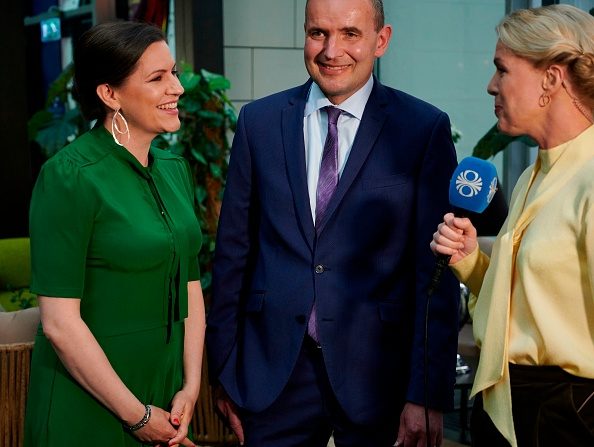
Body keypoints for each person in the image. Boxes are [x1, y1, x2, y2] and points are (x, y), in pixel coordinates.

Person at [206, 0, 460, 445]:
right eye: (318, 33)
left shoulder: (422, 129)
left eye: (350, 33)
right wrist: (224, 370)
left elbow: (434, 275)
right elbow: (233, 255)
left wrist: (427, 392)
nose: (331, 49)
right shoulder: (259, 123)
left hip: (380, 376)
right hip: (273, 377)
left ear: (381, 40)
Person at [24, 21, 205, 447]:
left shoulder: (175, 170)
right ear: (110, 94)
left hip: (167, 401)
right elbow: (59, 325)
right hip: (88, 409)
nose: (176, 88)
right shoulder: (69, 176)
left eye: (174, 73)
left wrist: (191, 386)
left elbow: (191, 287)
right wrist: (137, 417)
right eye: (157, 78)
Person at [431, 5, 594, 447]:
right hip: (504, 408)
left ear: (552, 80)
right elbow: (526, 304)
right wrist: (471, 262)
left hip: (568, 417)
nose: (490, 85)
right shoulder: (531, 175)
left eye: (502, 69)